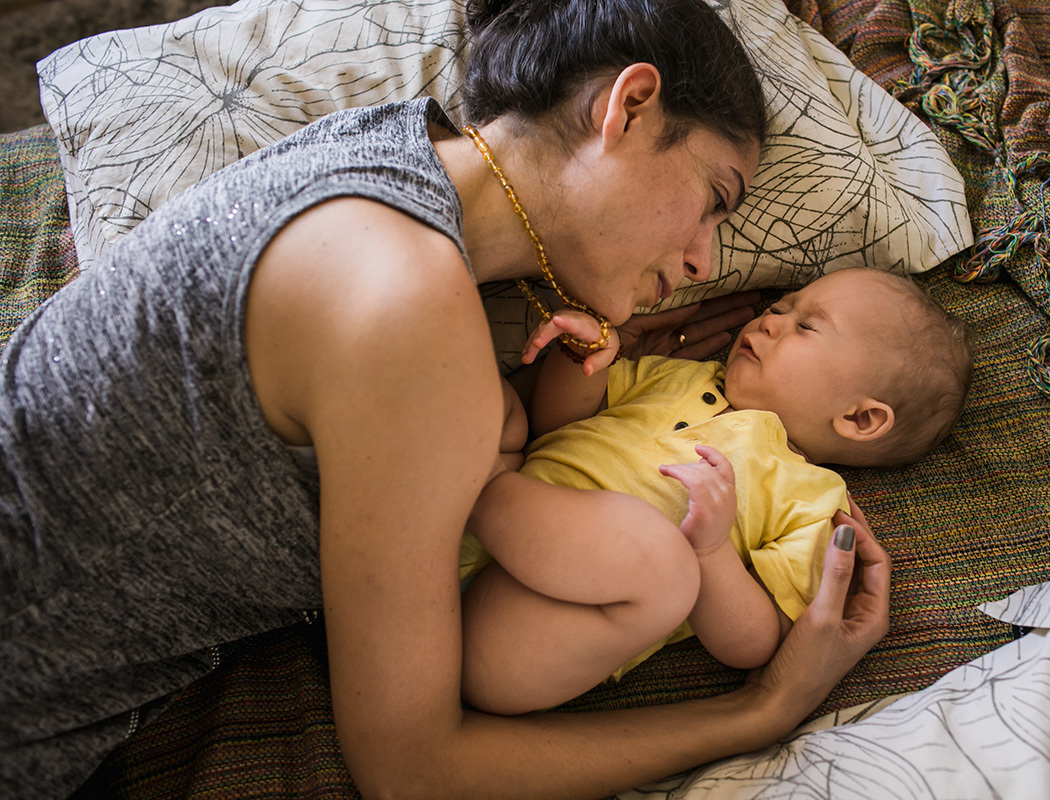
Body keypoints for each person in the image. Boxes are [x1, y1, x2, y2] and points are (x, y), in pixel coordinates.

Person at [0, 0, 893, 797]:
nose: (703, 258)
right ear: (628, 106)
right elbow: (411, 770)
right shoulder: (409, 309)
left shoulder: (385, 148)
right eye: (713, 201)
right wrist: (765, 711)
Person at [459, 267, 972, 715]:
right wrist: (583, 358)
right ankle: (477, 490)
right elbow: (556, 426)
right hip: (479, 538)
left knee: (653, 555)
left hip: (514, 632)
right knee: (488, 396)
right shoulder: (678, 377)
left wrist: (710, 550)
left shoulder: (814, 502)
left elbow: (754, 643)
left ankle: (481, 490)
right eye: (780, 305)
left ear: (860, 417)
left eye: (806, 325)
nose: (769, 319)